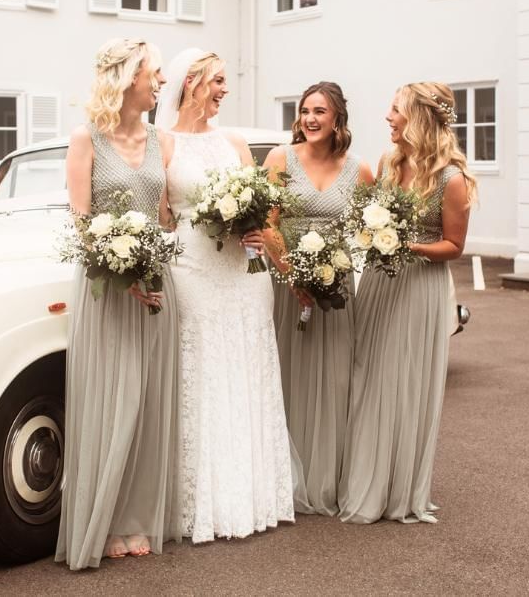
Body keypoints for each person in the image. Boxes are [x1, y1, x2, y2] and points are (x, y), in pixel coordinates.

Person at [155, 48, 295, 542]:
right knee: (203, 369)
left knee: (246, 366)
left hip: (244, 273)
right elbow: (161, 218)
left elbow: (260, 208)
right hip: (193, 268)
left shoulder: (234, 142)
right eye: (217, 80)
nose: (224, 89)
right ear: (190, 82)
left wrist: (255, 230)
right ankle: (201, 501)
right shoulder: (163, 143)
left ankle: (252, 493)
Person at [55, 38, 181, 569]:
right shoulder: (87, 138)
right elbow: (82, 224)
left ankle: (136, 518)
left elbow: (166, 216)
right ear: (130, 78)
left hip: (155, 283)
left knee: (149, 400)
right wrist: (117, 269)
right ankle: (102, 519)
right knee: (110, 399)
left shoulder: (162, 141)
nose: (161, 81)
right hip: (105, 289)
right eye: (155, 72)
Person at [338, 82, 478, 525]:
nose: (387, 117)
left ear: (417, 117)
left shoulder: (452, 180)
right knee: (370, 376)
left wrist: (406, 246)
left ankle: (399, 489)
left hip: (420, 288)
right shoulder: (386, 163)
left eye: (395, 109)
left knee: (406, 383)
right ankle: (365, 481)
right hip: (380, 282)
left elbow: (454, 245)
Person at [263, 82, 373, 516]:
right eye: (305, 110)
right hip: (287, 282)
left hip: (336, 286)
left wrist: (332, 267)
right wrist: (292, 270)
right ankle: (282, 477)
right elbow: (268, 222)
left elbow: (367, 229)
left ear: (337, 119)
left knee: (335, 378)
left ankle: (327, 475)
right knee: (287, 373)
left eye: (320, 111)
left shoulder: (359, 169)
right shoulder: (280, 159)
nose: (310, 118)